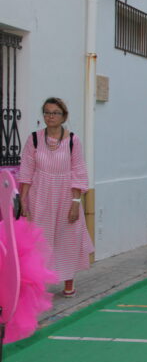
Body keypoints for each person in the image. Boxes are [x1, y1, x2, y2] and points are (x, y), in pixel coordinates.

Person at [18, 98, 93, 297]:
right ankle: (38, 283)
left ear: (63, 116)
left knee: (66, 239)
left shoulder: (72, 141)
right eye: (47, 112)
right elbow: (26, 171)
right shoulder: (34, 139)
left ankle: (69, 280)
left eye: (55, 113)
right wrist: (23, 201)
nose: (50, 116)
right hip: (39, 195)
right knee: (39, 241)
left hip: (65, 196)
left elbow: (78, 171)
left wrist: (76, 204)